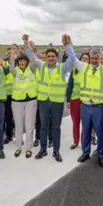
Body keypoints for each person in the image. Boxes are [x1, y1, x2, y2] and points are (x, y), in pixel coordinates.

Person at [66, 36, 103, 167]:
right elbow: (73, 58)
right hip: (86, 106)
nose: (94, 61)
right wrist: (68, 45)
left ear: (100, 59)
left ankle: (101, 155)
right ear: (90, 58)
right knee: (86, 131)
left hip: (100, 107)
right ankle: (85, 152)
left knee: (101, 133)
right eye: (92, 58)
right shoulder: (84, 67)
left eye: (96, 59)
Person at [24, 34, 75, 162]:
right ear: (45, 58)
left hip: (57, 102)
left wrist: (68, 45)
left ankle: (56, 151)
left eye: (53, 56)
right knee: (43, 126)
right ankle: (43, 149)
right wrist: (26, 44)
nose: (51, 58)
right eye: (48, 56)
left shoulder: (62, 68)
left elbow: (72, 58)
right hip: (44, 101)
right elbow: (31, 57)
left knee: (56, 127)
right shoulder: (42, 66)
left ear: (57, 58)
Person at [8, 44, 38, 158]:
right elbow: (11, 64)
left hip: (30, 100)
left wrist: (28, 47)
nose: (22, 63)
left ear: (27, 62)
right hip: (17, 101)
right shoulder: (15, 71)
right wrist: (13, 52)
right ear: (18, 62)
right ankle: (19, 147)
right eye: (20, 61)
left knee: (29, 125)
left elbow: (33, 60)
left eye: (24, 61)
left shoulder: (32, 69)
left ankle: (29, 148)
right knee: (19, 125)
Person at [66, 52, 91, 149]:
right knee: (75, 122)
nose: (84, 60)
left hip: (86, 100)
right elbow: (70, 86)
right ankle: (75, 141)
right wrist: (68, 100)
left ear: (89, 61)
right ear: (80, 59)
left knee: (86, 123)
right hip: (75, 100)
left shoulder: (90, 71)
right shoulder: (74, 71)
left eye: (86, 58)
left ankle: (84, 141)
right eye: (83, 58)